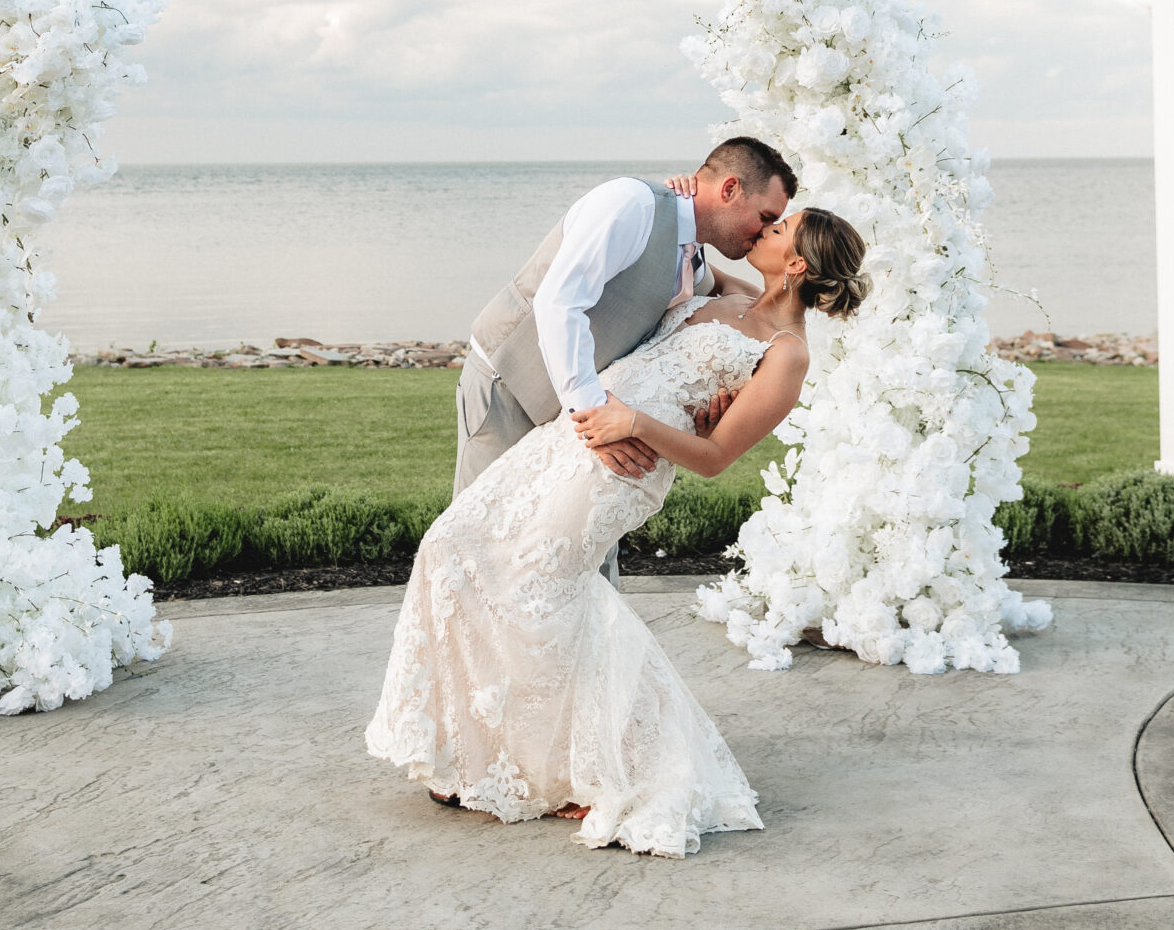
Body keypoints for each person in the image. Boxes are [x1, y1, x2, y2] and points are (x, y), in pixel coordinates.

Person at [365, 205, 872, 858]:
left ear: (797, 263)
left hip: (621, 466)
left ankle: (574, 769)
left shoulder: (787, 354)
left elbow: (715, 457)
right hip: (572, 437)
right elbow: (683, 247)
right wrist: (675, 202)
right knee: (451, 543)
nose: (762, 232)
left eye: (776, 230)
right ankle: (475, 744)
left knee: (543, 591)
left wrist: (633, 424)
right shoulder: (733, 293)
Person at [453, 138, 798, 503]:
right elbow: (559, 303)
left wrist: (794, 316)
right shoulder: (631, 205)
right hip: (510, 386)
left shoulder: (691, 256)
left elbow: (741, 299)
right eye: (765, 217)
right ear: (730, 189)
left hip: (576, 415)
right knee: (479, 528)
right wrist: (594, 418)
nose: (763, 231)